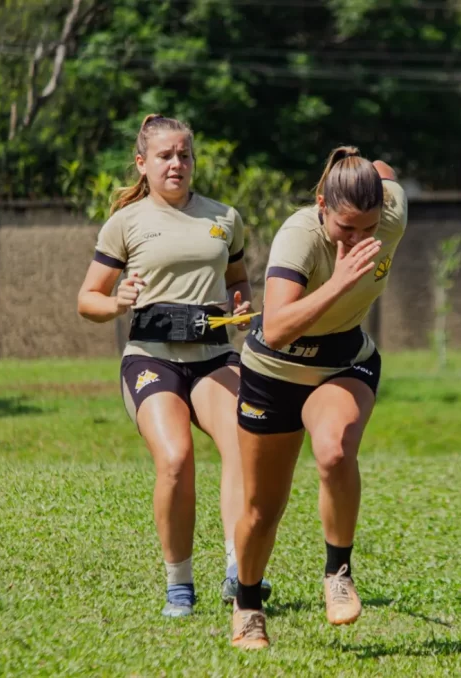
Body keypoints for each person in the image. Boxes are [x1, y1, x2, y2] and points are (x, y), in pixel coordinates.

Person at [77, 113, 270, 618]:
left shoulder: (224, 217)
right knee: (176, 460)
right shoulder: (126, 222)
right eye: (165, 156)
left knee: (243, 443)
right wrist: (119, 302)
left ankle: (237, 568)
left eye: (184, 155)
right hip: (152, 358)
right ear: (142, 163)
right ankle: (178, 583)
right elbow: (87, 300)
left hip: (213, 357)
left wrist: (242, 307)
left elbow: (238, 280)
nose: (177, 164)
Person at [228, 146, 407, 649]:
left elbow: (386, 175)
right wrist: (342, 280)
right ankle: (247, 606)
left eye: (368, 230)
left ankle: (338, 572)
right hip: (273, 368)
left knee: (334, 450)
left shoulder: (389, 207)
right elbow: (278, 326)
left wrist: (358, 162)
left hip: (343, 360)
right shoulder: (299, 237)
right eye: (346, 228)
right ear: (322, 204)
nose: (358, 239)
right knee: (263, 507)